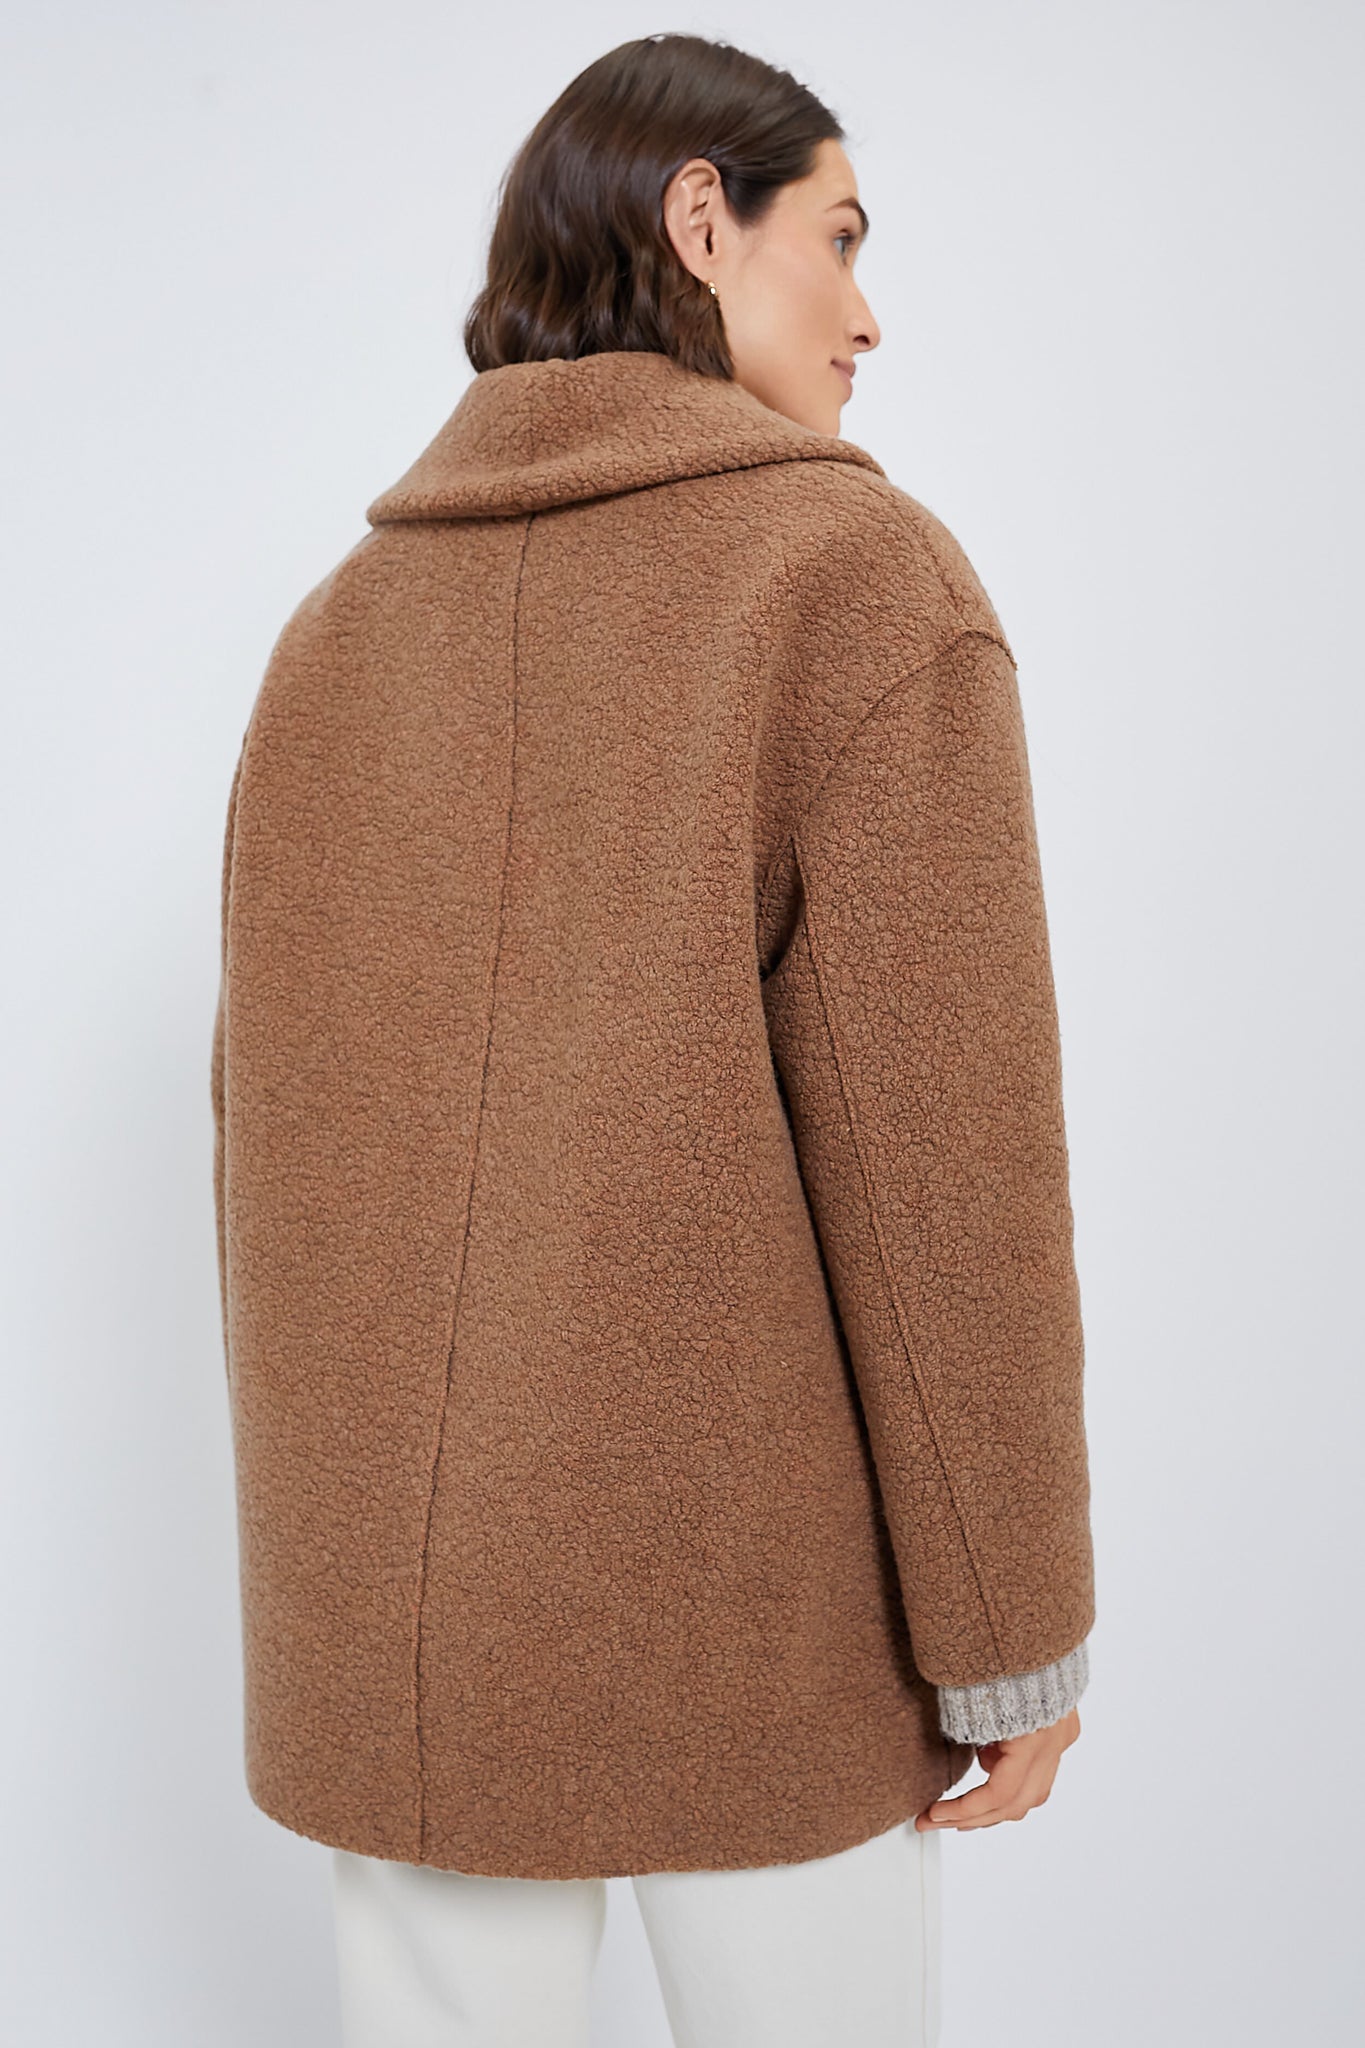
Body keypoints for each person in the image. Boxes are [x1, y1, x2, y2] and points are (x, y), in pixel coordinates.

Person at [211, 31, 1095, 2047]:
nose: (867, 311)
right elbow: (943, 1167)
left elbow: (268, 1159)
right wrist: (1010, 1631)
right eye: (838, 237)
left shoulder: (335, 631)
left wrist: (344, 1599)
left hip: (400, 1639)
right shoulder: (849, 580)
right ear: (701, 218)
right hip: (745, 1626)